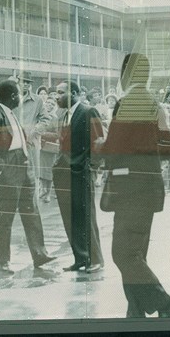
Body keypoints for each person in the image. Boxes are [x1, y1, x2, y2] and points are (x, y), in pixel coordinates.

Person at [101, 53, 170, 318]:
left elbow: (112, 149)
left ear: (125, 74)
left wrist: (98, 147)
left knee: (121, 253)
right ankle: (135, 311)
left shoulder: (126, 104)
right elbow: (169, 149)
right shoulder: (155, 105)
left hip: (128, 191)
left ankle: (165, 302)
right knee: (136, 254)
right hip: (150, 190)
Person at [0, 78, 55, 275]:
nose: (21, 97)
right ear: (13, 96)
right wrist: (2, 171)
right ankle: (2, 261)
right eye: (19, 94)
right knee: (4, 216)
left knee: (31, 212)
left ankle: (40, 254)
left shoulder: (10, 113)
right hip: (8, 170)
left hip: (23, 165)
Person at [53, 80, 106, 273]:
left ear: (74, 93)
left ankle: (96, 259)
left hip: (81, 172)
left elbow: (99, 141)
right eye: (56, 93)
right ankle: (81, 257)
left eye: (60, 92)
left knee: (86, 217)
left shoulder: (87, 111)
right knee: (70, 218)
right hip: (63, 173)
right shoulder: (63, 115)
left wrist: (92, 167)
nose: (56, 96)